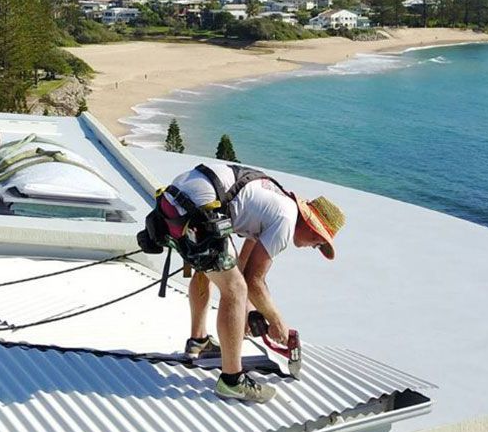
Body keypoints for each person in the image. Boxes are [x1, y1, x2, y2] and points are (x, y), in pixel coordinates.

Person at [140, 163, 344, 403]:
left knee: (210, 269)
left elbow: (240, 265)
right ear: (313, 230)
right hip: (197, 209)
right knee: (235, 290)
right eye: (318, 244)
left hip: (174, 200)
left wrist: (248, 313)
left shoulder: (273, 198)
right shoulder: (285, 222)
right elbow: (253, 282)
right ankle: (232, 380)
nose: (314, 248)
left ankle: (199, 341)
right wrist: (278, 324)